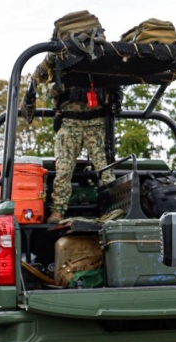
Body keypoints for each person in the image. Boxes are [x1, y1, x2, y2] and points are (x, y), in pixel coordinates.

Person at [27, 63, 118, 223]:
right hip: (70, 122)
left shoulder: (100, 62)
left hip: (95, 122)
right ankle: (58, 211)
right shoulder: (59, 63)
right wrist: (58, 84)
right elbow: (48, 93)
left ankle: (114, 208)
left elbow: (113, 92)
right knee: (63, 170)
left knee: (106, 170)